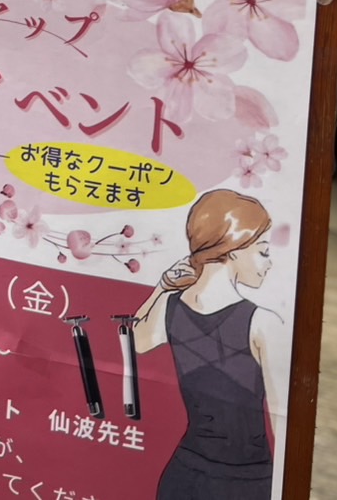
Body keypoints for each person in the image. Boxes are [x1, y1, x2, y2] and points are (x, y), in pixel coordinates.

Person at [132, 189, 283, 499]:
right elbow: (283, 422)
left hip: (185, 477)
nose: (269, 264)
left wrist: (162, 287)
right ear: (234, 248)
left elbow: (137, 339)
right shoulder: (262, 323)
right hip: (245, 483)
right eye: (263, 251)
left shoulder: (170, 306)